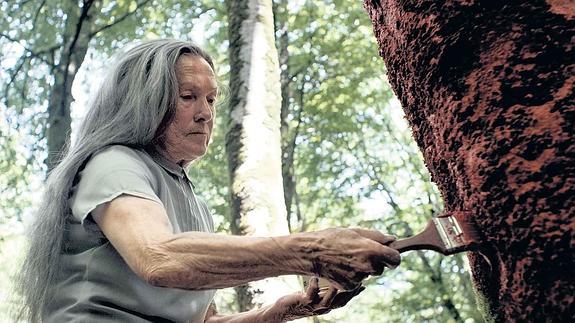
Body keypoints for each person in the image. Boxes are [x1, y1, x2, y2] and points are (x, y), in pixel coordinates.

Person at [14, 39, 401, 323]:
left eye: (212, 100)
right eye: (188, 97)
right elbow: (158, 259)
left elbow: (205, 322)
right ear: (143, 101)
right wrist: (312, 251)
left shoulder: (193, 203)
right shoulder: (114, 163)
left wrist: (281, 310)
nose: (205, 114)